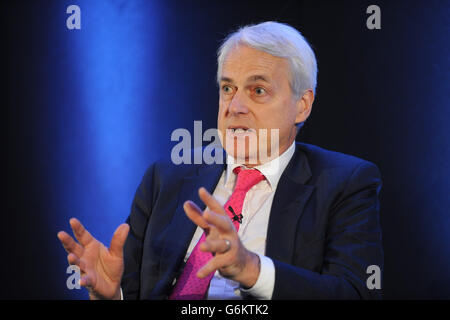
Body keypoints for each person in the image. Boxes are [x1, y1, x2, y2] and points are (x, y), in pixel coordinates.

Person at [57, 21, 383, 300]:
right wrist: (114, 294)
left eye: (257, 90)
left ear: (302, 105)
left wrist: (249, 268)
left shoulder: (345, 183)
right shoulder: (164, 180)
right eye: (228, 88)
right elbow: (133, 290)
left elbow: (355, 292)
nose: (234, 105)